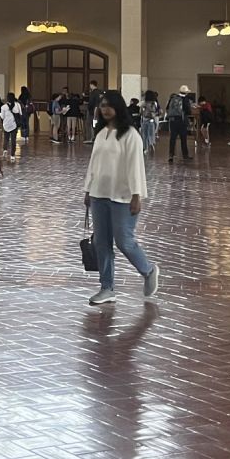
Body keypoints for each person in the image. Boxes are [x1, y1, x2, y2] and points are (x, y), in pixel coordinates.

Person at [83, 91, 159, 306]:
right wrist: (88, 190)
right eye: (102, 106)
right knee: (101, 242)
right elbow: (93, 164)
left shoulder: (131, 135)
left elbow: (136, 167)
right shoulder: (100, 134)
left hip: (123, 197)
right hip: (99, 194)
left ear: (118, 107)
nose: (105, 109)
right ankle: (107, 288)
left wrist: (137, 195)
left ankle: (148, 270)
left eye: (109, 105)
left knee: (124, 240)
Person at [166, 84, 194, 162]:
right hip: (182, 121)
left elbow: (167, 108)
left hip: (173, 121)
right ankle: (185, 155)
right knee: (183, 139)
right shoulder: (186, 99)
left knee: (173, 138)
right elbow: (188, 111)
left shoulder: (173, 98)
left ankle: (171, 155)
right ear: (186, 92)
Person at [0, 93, 20, 160]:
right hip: (14, 125)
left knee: (6, 138)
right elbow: (19, 114)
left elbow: (2, 117)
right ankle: (12, 155)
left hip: (6, 125)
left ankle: (5, 150)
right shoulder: (17, 105)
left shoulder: (3, 107)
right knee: (13, 140)